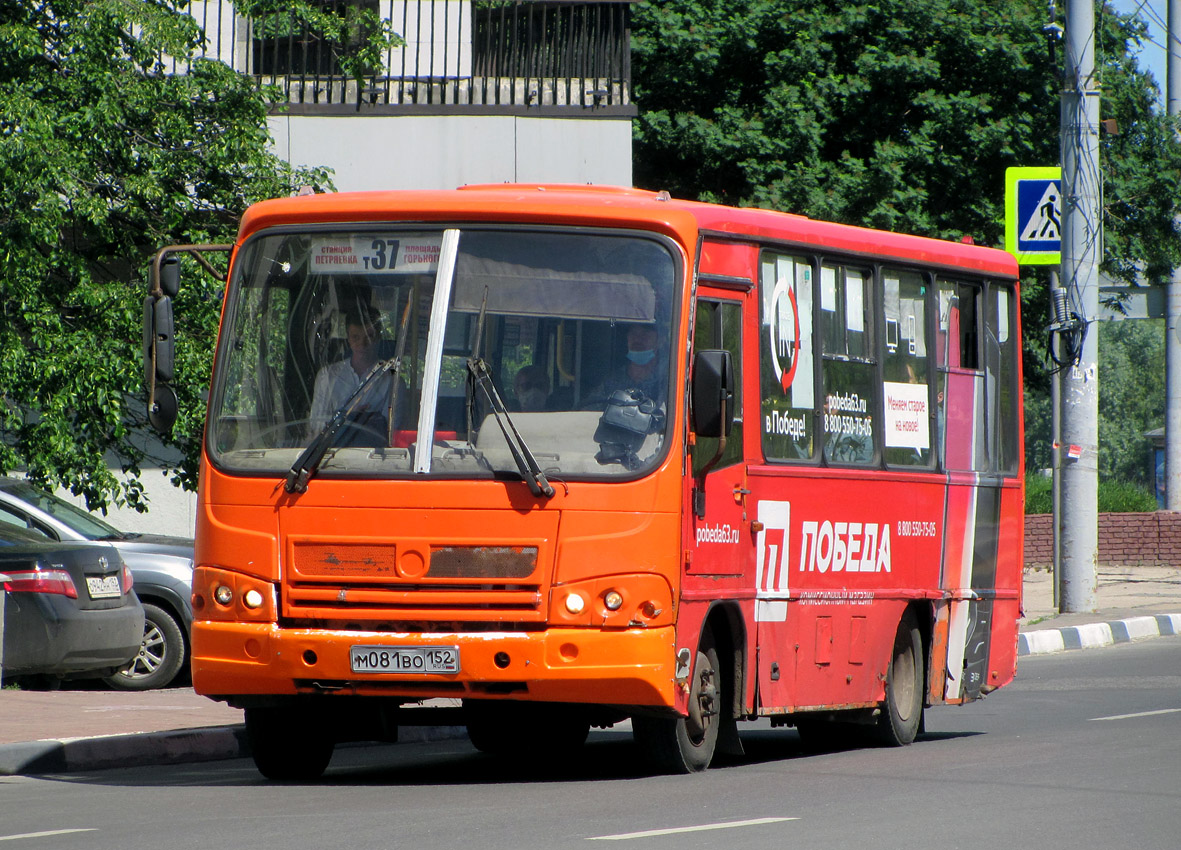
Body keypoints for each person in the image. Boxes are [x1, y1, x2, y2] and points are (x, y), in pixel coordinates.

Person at [307, 308, 393, 443]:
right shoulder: (328, 376)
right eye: (356, 337)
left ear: (378, 338)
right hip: (329, 453)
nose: (362, 344)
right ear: (348, 338)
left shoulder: (391, 380)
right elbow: (315, 423)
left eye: (369, 336)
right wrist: (347, 417)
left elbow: (392, 429)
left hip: (373, 457)